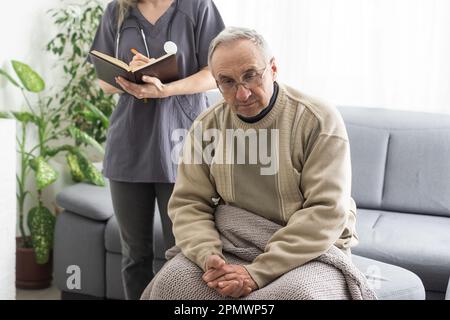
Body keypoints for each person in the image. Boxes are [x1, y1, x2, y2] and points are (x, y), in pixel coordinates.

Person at [165, 27, 359, 298]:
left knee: (295, 295)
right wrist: (208, 255)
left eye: (250, 76)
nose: (242, 94)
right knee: (171, 284)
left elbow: (326, 211)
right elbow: (188, 203)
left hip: (309, 249)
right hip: (231, 241)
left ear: (274, 68)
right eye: (228, 82)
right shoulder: (206, 126)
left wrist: (257, 273)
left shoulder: (318, 119)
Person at [88, 0, 224, 299]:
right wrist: (132, 78)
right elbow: (103, 81)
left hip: (181, 142)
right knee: (134, 255)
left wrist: (165, 88)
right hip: (129, 143)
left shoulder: (197, 6)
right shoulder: (117, 10)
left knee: (183, 252)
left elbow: (215, 72)